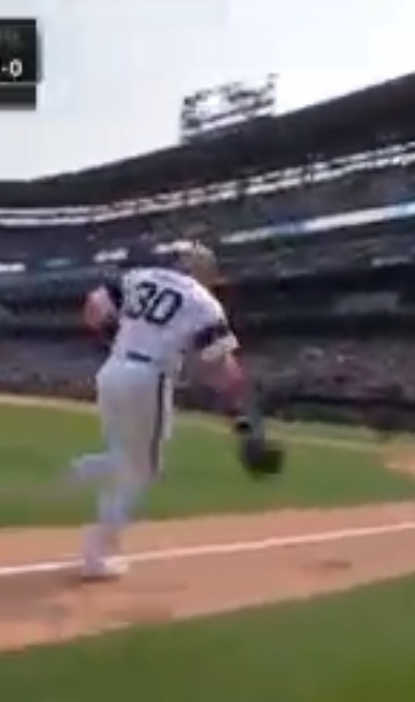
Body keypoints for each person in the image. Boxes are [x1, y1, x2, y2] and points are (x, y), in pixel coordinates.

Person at [71, 242, 247, 580]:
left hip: (111, 369)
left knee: (126, 456)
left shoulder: (139, 277)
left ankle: (84, 470)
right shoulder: (202, 301)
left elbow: (93, 307)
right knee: (144, 469)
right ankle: (97, 552)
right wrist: (241, 415)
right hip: (147, 377)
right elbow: (220, 364)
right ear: (201, 271)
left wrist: (119, 338)